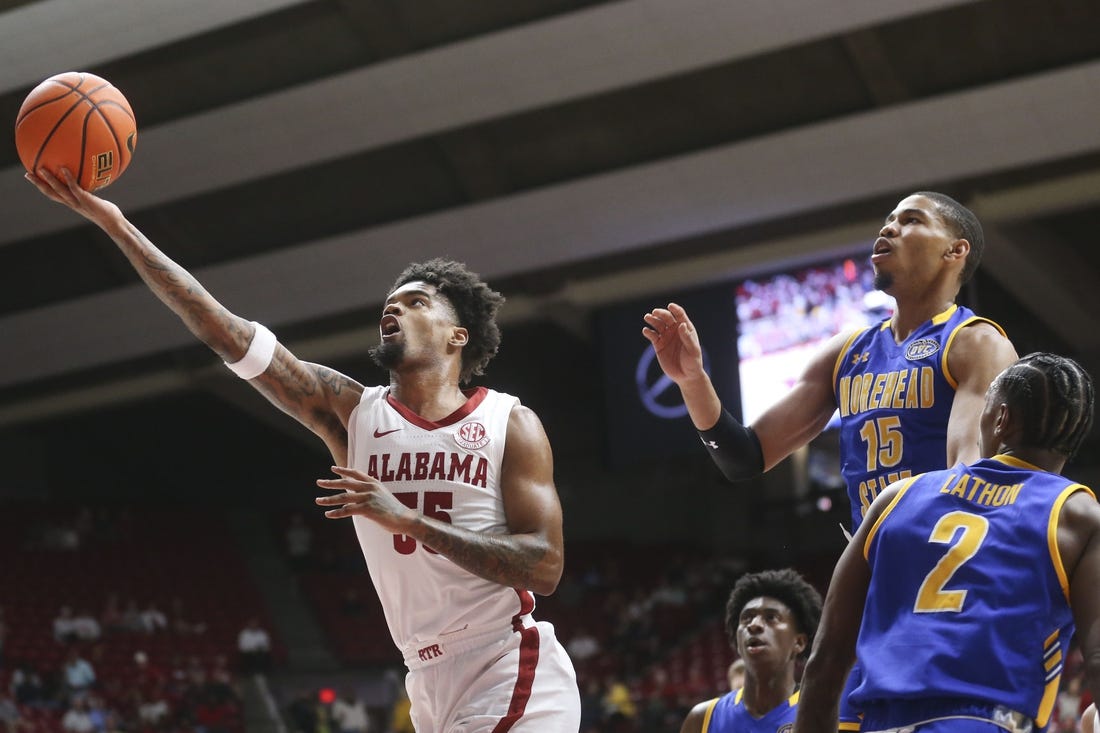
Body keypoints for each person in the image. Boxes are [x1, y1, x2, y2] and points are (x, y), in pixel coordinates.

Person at [27, 167, 580, 732]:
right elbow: (225, 332)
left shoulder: (508, 422)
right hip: (426, 677)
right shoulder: (352, 412)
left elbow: (545, 565)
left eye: (415, 302)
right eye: (389, 303)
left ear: (457, 335)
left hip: (507, 663)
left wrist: (408, 520)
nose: (393, 309)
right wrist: (117, 225)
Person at [644, 191, 1019, 729]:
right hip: (872, 581)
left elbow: (966, 478)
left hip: (943, 574)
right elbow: (744, 457)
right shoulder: (848, 352)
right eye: (887, 220)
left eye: (910, 221)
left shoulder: (974, 342)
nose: (887, 230)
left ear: (954, 251)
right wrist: (693, 382)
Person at [795, 352, 1099, 733]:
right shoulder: (1077, 515)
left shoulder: (895, 498)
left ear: (1002, 420)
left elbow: (825, 658)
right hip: (986, 722)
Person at [680, 568, 822, 733]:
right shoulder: (702, 719)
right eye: (747, 618)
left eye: (771, 617)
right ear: (738, 642)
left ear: (799, 642)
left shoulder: (819, 714)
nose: (754, 624)